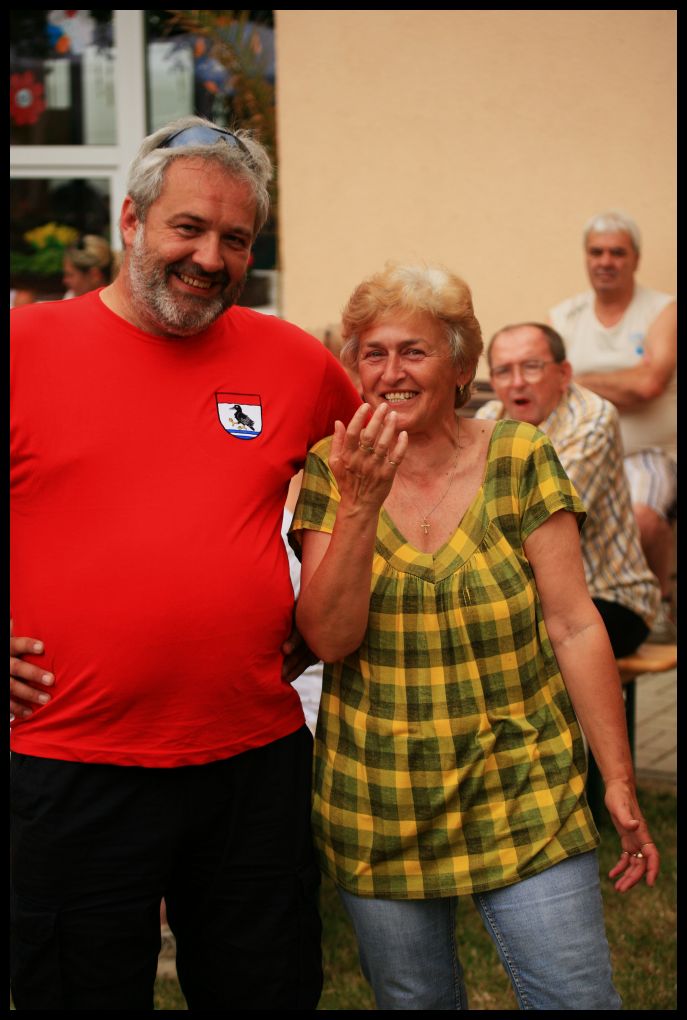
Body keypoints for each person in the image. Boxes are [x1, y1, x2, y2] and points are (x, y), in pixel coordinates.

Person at [10, 114, 361, 1011]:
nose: (210, 258)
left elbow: (399, 467)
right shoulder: (24, 348)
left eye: (236, 239)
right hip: (70, 760)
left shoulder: (294, 362)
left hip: (252, 761)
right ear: (130, 220)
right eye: (189, 228)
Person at [289, 262, 660, 1011]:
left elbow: (574, 624)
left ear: (461, 366)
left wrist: (618, 777)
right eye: (373, 353)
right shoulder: (334, 468)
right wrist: (360, 506)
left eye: (414, 351)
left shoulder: (519, 456)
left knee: (575, 999)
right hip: (380, 797)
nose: (391, 372)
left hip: (523, 785)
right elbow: (329, 639)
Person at [476, 321, 660, 658]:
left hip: (608, 595)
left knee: (508, 639)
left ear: (564, 374)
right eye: (503, 371)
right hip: (526, 592)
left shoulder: (592, 418)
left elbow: (543, 518)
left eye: (531, 367)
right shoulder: (490, 417)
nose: (517, 382)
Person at [550, 211, 676, 640]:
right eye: (597, 252)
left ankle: (656, 609)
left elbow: (649, 384)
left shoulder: (662, 311)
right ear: (586, 257)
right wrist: (623, 380)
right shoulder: (565, 316)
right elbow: (547, 385)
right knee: (554, 517)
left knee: (642, 518)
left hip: (647, 455)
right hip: (578, 448)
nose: (606, 261)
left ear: (635, 258)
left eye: (617, 253)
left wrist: (576, 382)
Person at [62, 233, 117, 298]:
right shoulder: (71, 296)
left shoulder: (118, 301)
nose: (65, 280)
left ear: (95, 275)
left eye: (70, 275)